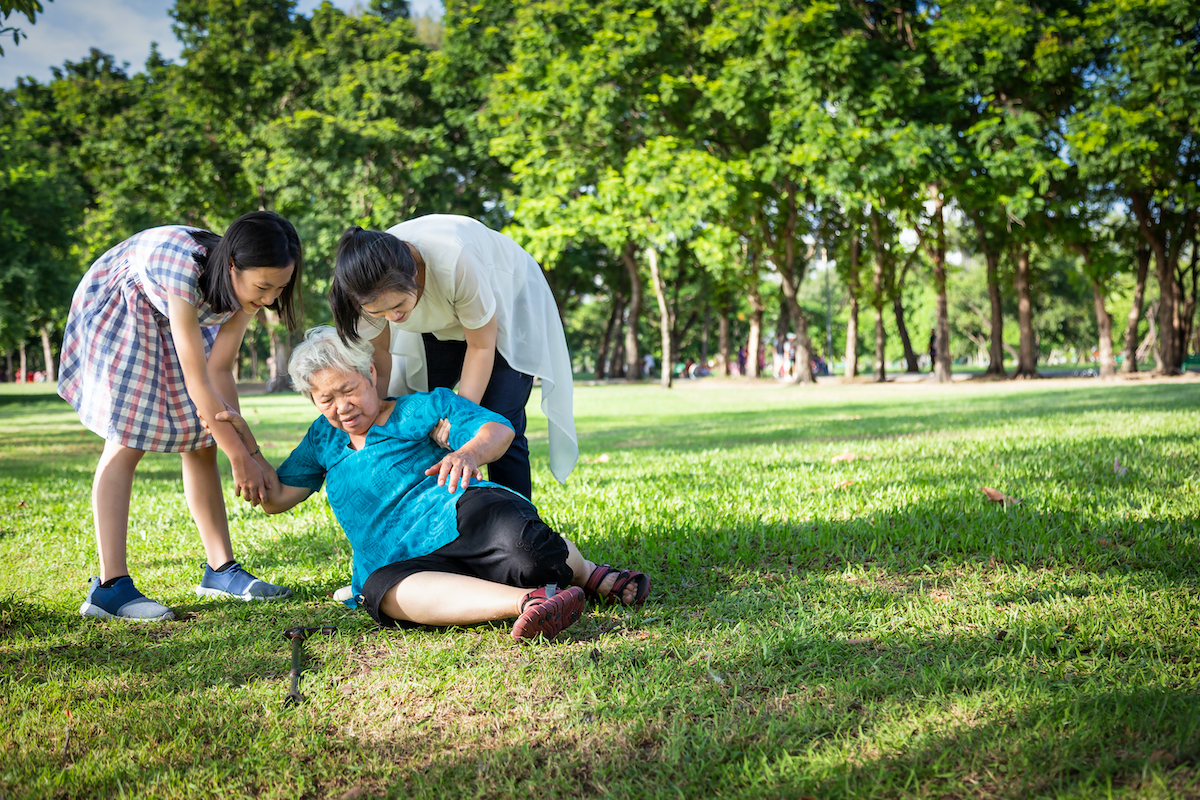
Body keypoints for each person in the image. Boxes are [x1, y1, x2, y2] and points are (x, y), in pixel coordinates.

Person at [214, 326, 649, 640]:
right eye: (325, 399)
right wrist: (247, 450)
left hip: (460, 514)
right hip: (399, 559)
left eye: (348, 390)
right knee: (380, 592)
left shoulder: (420, 408)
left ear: (369, 372)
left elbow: (496, 431)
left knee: (531, 554)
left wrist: (466, 453)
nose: (341, 407)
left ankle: (590, 576)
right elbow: (275, 499)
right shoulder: (322, 439)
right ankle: (532, 603)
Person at [58, 212, 303, 621]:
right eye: (263, 287)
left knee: (203, 442)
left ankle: (220, 570)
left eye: (279, 288)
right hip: (125, 306)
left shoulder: (250, 290)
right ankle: (108, 587)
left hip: (178, 314)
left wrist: (248, 450)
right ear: (231, 267)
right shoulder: (184, 268)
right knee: (125, 441)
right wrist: (240, 460)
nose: (270, 299)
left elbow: (220, 370)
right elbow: (198, 381)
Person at [328, 217, 577, 500]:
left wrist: (459, 416)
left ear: (414, 274)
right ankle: (436, 514)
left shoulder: (455, 262)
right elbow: (380, 361)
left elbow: (481, 347)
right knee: (420, 418)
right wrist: (372, 420)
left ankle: (521, 521)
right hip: (437, 326)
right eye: (379, 313)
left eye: (398, 306)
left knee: (497, 421)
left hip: (509, 305)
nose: (392, 318)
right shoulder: (361, 283)